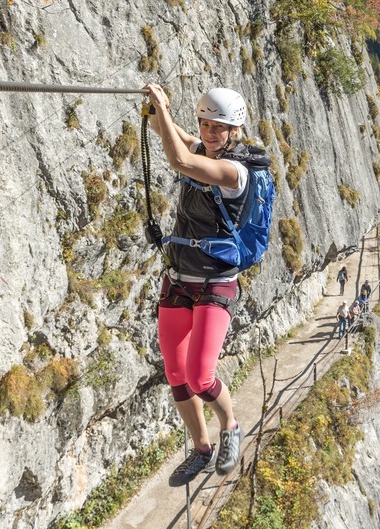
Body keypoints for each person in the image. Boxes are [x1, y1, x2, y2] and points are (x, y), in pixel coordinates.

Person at [144, 84, 262, 487]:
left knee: (199, 376)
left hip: (215, 282)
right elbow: (171, 135)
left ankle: (230, 424)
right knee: (176, 372)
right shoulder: (200, 148)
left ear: (235, 130)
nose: (210, 133)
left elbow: (178, 159)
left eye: (220, 127)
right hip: (177, 277)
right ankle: (201, 450)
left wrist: (161, 106)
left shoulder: (234, 173)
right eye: (205, 124)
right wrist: (159, 113)